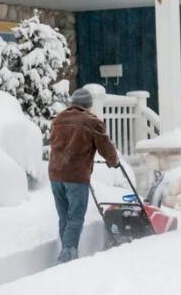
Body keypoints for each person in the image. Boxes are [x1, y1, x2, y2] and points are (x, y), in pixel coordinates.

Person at [49, 88, 119, 264]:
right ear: (89, 105)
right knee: (76, 217)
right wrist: (114, 161)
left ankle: (68, 252)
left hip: (55, 174)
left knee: (65, 217)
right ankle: (68, 256)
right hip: (76, 176)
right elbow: (105, 146)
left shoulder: (58, 119)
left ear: (73, 103)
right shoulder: (92, 122)